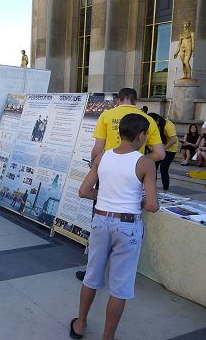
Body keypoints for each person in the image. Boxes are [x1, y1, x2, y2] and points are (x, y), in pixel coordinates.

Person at [71, 113, 159, 340]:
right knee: (120, 287)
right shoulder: (145, 163)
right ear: (141, 136)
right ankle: (107, 337)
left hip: (100, 220)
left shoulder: (102, 157)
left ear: (119, 134)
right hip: (127, 226)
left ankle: (80, 324)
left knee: (91, 276)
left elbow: (83, 191)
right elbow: (152, 205)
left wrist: (106, 195)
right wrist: (134, 201)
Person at [75, 87, 164, 281]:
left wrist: (96, 168)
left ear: (119, 99)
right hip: (136, 176)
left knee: (100, 222)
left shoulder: (107, 115)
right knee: (130, 221)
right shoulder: (146, 119)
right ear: (135, 100)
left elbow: (97, 150)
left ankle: (93, 272)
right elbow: (160, 154)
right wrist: (140, 161)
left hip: (106, 174)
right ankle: (123, 269)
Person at [148, 113, 178, 192]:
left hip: (170, 149)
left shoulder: (168, 125)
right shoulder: (153, 125)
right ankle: (152, 188)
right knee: (153, 167)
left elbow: (174, 140)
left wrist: (163, 148)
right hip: (160, 147)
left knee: (163, 168)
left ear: (157, 120)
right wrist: (152, 148)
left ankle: (166, 190)